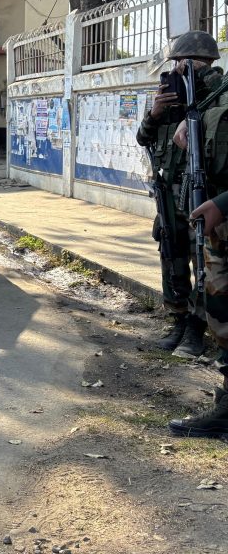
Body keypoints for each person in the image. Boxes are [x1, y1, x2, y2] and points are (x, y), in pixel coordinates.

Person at [136, 32, 221, 357]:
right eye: (175, 62)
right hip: (170, 195)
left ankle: (197, 329)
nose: (179, 69)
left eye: (185, 62)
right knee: (171, 255)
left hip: (203, 195)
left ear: (204, 63)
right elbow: (144, 139)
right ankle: (178, 319)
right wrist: (154, 115)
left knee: (203, 262)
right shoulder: (168, 100)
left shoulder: (216, 97)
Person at [168, 30, 228, 440]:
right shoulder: (194, 106)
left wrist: (223, 204)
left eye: (188, 65)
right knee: (220, 308)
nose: (181, 73)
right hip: (214, 222)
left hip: (221, 215)